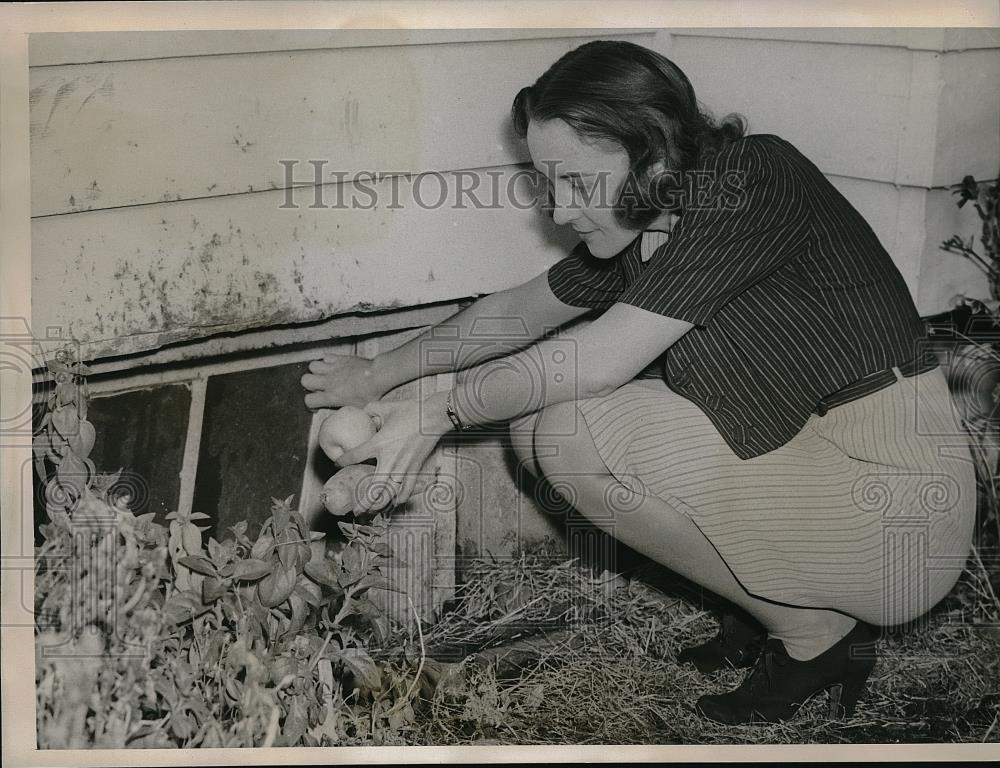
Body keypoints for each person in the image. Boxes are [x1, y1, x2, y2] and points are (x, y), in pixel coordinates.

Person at [301, 40, 977, 725]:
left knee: (568, 427)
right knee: (538, 423)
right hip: (816, 467)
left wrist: (441, 412)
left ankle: (815, 636)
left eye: (575, 183)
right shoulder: (647, 227)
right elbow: (513, 313)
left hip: (902, 513)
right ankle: (781, 606)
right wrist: (376, 374)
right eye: (547, 185)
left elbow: (598, 360)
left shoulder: (753, 177)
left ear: (650, 156)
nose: (559, 213)